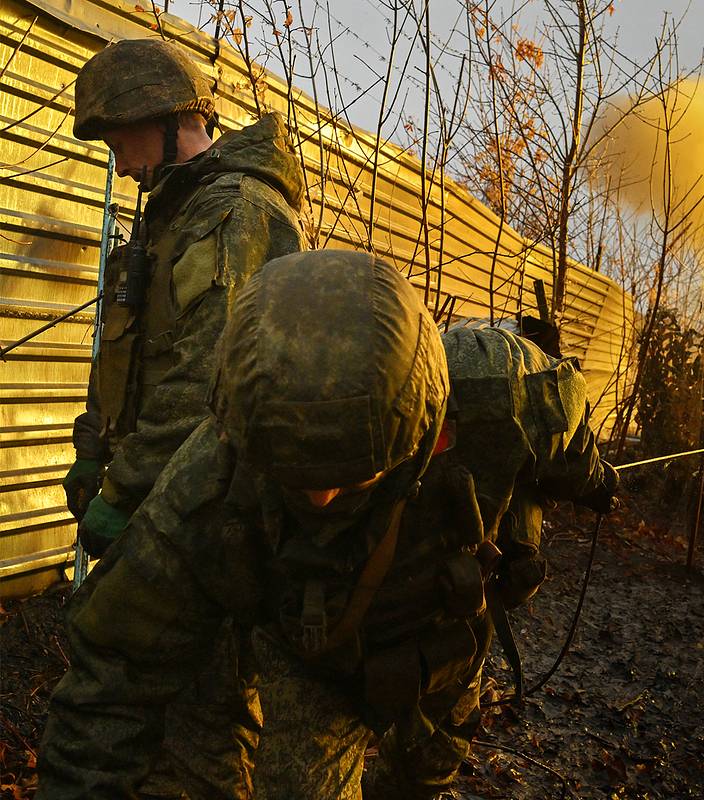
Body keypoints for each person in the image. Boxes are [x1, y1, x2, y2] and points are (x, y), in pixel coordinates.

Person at [38, 250, 618, 799]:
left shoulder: (501, 392)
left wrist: (595, 485)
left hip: (447, 631)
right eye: (292, 477)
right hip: (316, 651)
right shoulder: (211, 483)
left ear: (429, 435)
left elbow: (573, 446)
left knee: (426, 772)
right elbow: (108, 687)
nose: (320, 499)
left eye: (352, 476)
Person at [60, 37, 304, 556]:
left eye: (119, 146)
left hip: (207, 506)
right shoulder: (172, 214)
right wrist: (93, 445)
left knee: (101, 636)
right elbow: (128, 345)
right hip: (161, 486)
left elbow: (205, 376)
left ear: (160, 121)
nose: (120, 167)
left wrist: (123, 487)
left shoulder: (233, 212)